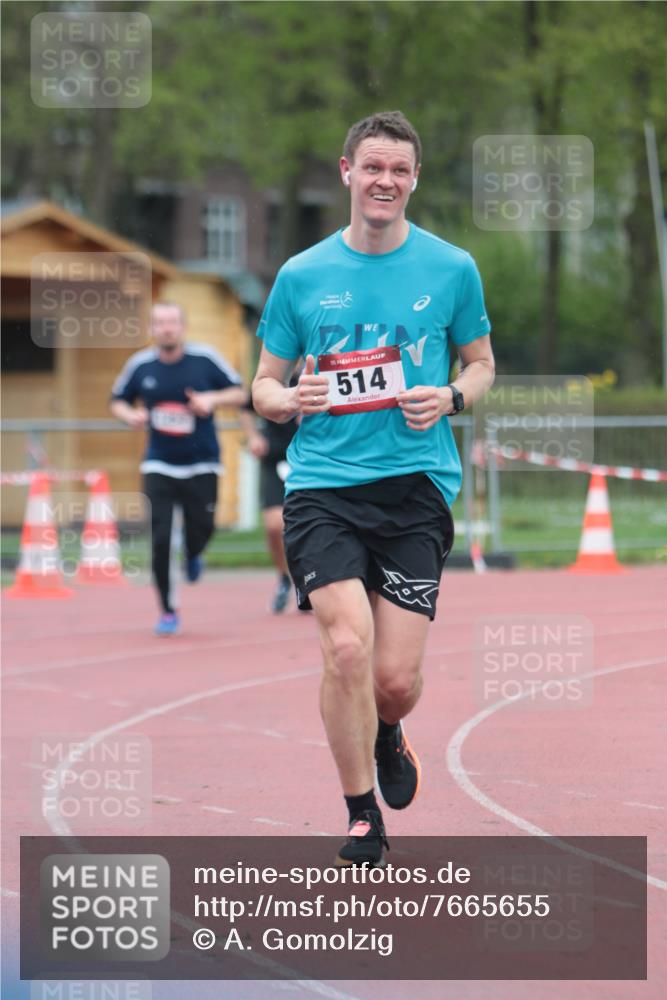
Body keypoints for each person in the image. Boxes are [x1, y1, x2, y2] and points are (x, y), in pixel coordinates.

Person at [252, 111, 495, 866]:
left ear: (413, 179)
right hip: (323, 485)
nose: (384, 180)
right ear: (346, 172)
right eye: (372, 167)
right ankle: (361, 814)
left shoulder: (451, 268)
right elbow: (261, 383)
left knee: (393, 680)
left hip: (415, 488)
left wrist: (451, 398)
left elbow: (482, 364)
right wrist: (288, 399)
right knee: (347, 650)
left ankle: (387, 728)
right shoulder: (301, 274)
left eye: (399, 170)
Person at [110, 302, 247, 635]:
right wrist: (130, 415)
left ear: (182, 327)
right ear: (152, 329)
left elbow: (241, 392)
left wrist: (211, 401)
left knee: (203, 526)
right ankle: (168, 609)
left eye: (172, 322)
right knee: (160, 537)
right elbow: (117, 399)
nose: (166, 328)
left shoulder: (204, 359)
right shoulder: (141, 365)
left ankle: (193, 551)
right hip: (159, 462)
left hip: (202, 462)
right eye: (160, 323)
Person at [241, 378, 299, 613]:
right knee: (275, 525)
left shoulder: (320, 365)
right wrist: (254, 437)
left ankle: (310, 579)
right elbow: (245, 407)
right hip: (275, 458)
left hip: (311, 458)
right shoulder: (274, 373)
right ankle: (285, 577)